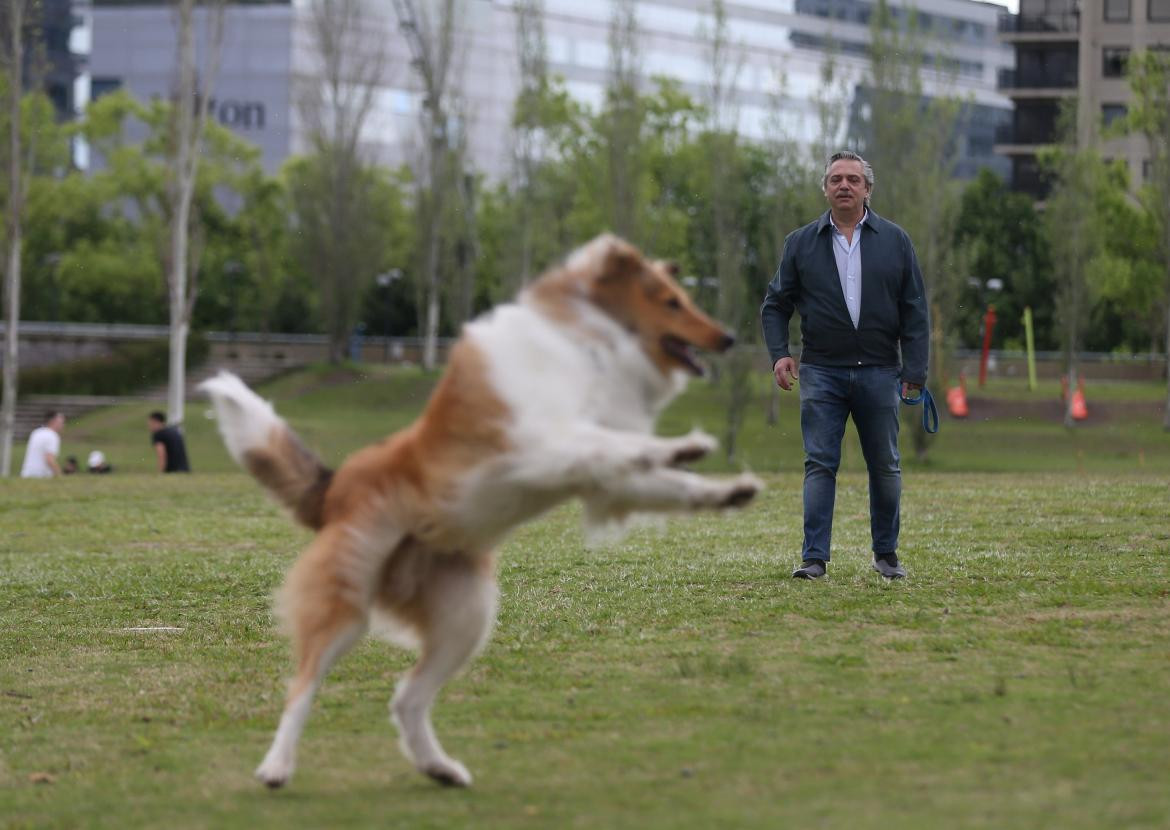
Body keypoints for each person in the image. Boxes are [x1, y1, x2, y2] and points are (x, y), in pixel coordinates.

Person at [760, 150, 929, 580]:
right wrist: (780, 352)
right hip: (821, 372)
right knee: (820, 464)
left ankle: (886, 555)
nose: (844, 186)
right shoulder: (800, 243)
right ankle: (814, 559)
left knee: (885, 466)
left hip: (880, 371)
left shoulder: (895, 240)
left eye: (853, 179)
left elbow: (914, 311)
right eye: (836, 179)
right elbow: (775, 305)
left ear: (868, 189)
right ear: (825, 188)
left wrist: (915, 372)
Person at [20, 411, 66, 478]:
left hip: (26, 474)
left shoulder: (36, 432)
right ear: (52, 421)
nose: (63, 425)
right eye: (61, 422)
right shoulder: (52, 435)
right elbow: (49, 459)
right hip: (40, 476)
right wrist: (60, 475)